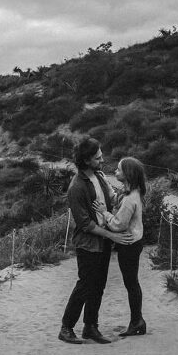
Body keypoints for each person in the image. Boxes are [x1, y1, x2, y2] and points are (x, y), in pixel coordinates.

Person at [59, 137, 118, 344]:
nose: (102, 160)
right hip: (88, 244)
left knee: (99, 285)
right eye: (97, 157)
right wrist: (112, 235)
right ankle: (66, 328)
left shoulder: (99, 176)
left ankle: (90, 327)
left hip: (103, 243)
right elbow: (85, 224)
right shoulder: (76, 187)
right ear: (85, 160)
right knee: (85, 285)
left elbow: (110, 199)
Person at [93, 156, 147, 337]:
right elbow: (116, 197)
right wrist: (105, 183)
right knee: (132, 282)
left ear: (128, 174)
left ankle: (137, 321)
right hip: (134, 242)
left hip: (128, 244)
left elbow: (118, 224)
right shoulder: (132, 192)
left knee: (131, 283)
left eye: (118, 170)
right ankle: (137, 320)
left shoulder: (130, 198)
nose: (115, 172)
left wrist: (104, 213)